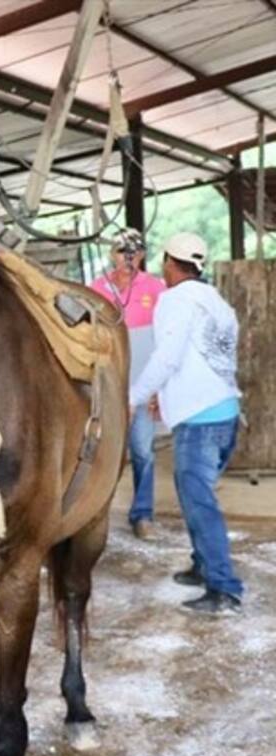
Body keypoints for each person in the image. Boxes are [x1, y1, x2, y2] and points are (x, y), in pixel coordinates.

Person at [129, 232, 243, 615]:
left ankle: (224, 590)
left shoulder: (175, 300)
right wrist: (167, 396)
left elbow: (167, 357)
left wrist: (135, 396)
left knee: (199, 502)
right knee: (193, 493)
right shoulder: (216, 302)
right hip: (226, 412)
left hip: (200, 421)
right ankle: (203, 564)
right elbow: (212, 358)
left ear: (169, 262)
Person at [89, 228, 166, 538]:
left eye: (134, 253)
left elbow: (165, 343)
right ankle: (93, 513)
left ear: (143, 255)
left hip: (143, 388)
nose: (128, 259)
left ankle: (142, 515)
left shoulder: (156, 288)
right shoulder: (97, 288)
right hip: (107, 388)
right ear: (112, 254)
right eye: (123, 252)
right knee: (101, 452)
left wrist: (157, 389)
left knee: (143, 452)